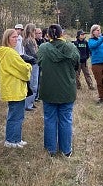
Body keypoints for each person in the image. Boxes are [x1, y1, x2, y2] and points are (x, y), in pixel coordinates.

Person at [37, 24, 80, 157]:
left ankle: (50, 149)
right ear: (62, 34)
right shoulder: (71, 47)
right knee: (66, 119)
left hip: (48, 89)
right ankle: (66, 150)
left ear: (48, 35)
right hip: (67, 89)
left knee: (49, 119)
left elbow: (39, 63)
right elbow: (77, 64)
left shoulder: (43, 48)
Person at [0, 29, 32, 148]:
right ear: (7, 39)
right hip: (14, 87)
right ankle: (11, 140)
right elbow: (23, 68)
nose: (16, 39)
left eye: (17, 37)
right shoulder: (9, 53)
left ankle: (16, 138)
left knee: (18, 114)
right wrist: (29, 66)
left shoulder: (9, 52)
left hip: (13, 87)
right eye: (13, 37)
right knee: (15, 115)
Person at [23, 23, 39, 111]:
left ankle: (31, 103)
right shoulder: (29, 41)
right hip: (33, 63)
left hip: (33, 63)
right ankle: (28, 104)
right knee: (33, 84)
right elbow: (34, 53)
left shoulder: (29, 40)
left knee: (33, 83)